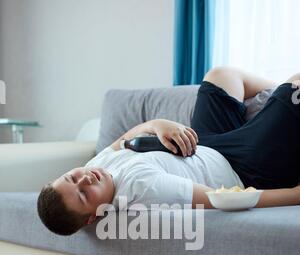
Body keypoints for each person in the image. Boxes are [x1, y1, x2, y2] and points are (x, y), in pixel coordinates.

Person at [37, 66, 300, 236]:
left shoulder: (96, 166)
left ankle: (272, 110)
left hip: (205, 145)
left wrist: (156, 124)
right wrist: (294, 195)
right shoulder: (142, 188)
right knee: (296, 85)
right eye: (84, 194)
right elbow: (223, 198)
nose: (85, 179)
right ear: (94, 216)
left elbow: (125, 139)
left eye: (73, 177)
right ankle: (280, 106)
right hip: (243, 166)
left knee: (221, 76)